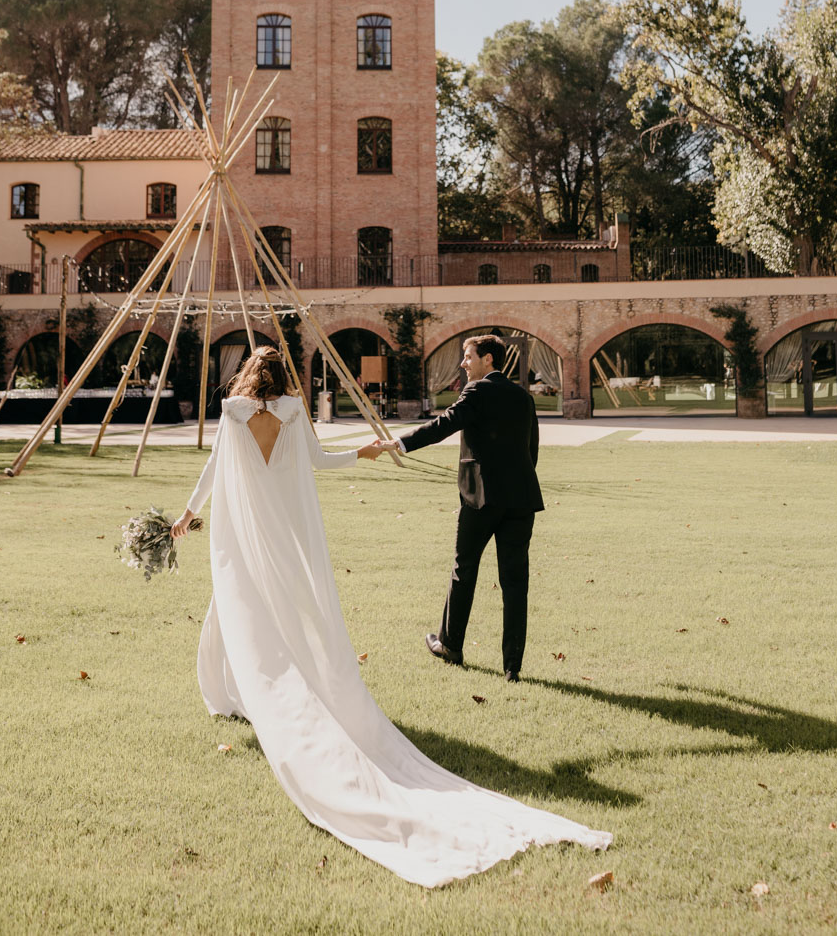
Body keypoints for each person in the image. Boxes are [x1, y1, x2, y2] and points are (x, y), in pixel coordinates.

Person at [169, 345, 610, 887]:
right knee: (509, 582)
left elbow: (215, 468)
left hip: (246, 534)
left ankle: (243, 690)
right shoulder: (292, 412)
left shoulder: (233, 415)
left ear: (245, 375)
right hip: (291, 536)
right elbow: (320, 462)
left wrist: (189, 513)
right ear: (284, 376)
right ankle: (505, 664)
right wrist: (368, 453)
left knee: (246, 608)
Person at [379, 333, 542, 683]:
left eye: (468, 356)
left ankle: (451, 646)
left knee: (463, 570)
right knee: (516, 583)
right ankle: (512, 666)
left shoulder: (478, 391)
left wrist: (402, 443)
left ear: (489, 360)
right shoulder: (523, 397)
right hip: (521, 500)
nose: (463, 363)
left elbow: (444, 424)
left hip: (480, 499)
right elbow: (532, 452)